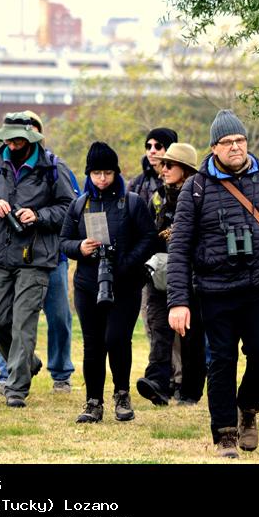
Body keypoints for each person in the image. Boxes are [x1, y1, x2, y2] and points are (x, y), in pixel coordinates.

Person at [167, 109, 259, 458]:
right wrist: (178, 301)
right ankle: (225, 433)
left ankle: (249, 409)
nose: (235, 147)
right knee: (222, 361)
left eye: (240, 140)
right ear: (213, 147)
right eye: (227, 142)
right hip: (216, 290)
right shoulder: (196, 188)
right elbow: (179, 248)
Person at [0, 112, 76, 408]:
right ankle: (27, 362)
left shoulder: (53, 166)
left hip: (36, 257)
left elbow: (69, 208)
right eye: (8, 140)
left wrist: (38, 215)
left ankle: (16, 389)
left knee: (23, 323)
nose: (12, 145)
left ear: (30, 139)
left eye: (17, 140)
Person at [60, 142, 156, 424]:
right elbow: (63, 241)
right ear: (88, 174)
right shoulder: (79, 204)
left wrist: (125, 264)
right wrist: (80, 247)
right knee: (92, 344)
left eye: (108, 173)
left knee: (117, 339)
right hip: (88, 284)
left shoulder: (132, 202)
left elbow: (149, 238)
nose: (102, 179)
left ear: (116, 172)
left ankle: (122, 395)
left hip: (125, 284)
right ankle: (93, 402)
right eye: (96, 173)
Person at [136, 142, 207, 407]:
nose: (162, 169)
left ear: (185, 170)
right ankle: (157, 383)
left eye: (169, 165)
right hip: (159, 274)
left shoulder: (201, 197)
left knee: (191, 335)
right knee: (159, 329)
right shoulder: (157, 198)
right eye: (162, 164)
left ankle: (190, 392)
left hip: (191, 275)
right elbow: (148, 234)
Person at [128, 126, 183, 399]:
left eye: (158, 146)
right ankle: (161, 379)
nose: (152, 151)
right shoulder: (137, 185)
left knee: (182, 327)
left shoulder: (190, 187)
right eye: (148, 146)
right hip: (151, 265)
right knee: (154, 323)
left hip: (181, 265)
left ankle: (182, 380)